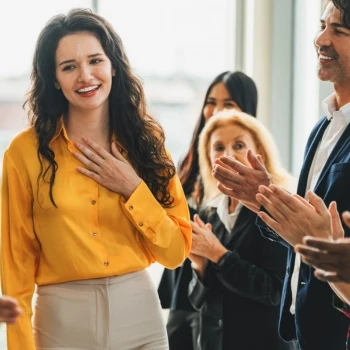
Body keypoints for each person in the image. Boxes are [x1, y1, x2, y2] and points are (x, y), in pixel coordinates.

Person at [0, 8, 191, 350]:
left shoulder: (146, 143)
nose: (85, 75)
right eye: (69, 67)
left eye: (95, 60)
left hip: (141, 319)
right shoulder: (23, 153)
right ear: (54, 79)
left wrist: (133, 188)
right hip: (61, 324)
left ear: (113, 66)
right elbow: (15, 267)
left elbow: (175, 252)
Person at [212, 0, 350, 348]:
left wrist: (324, 244)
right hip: (306, 329)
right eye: (322, 25)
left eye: (339, 30)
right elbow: (304, 232)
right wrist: (266, 197)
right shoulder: (323, 127)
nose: (321, 39)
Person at [157, 71, 258, 350]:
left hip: (222, 293)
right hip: (186, 284)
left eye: (229, 103)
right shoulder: (189, 163)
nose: (216, 110)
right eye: (211, 101)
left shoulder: (249, 170)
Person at [188, 110, 296, 350]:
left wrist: (219, 255)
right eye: (218, 147)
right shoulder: (209, 213)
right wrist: (201, 267)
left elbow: (276, 294)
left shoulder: (277, 208)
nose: (228, 155)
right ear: (207, 156)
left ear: (258, 151)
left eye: (238, 145)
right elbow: (196, 300)